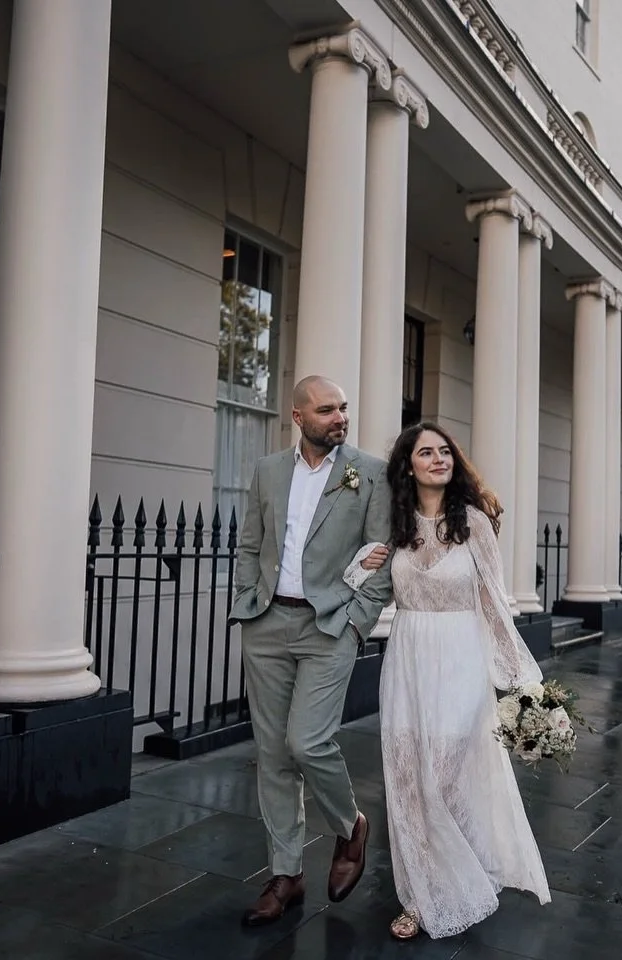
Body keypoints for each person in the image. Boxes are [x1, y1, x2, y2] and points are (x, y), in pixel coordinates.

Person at [348, 420, 550, 940]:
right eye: (426, 453)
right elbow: (366, 589)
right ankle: (418, 896)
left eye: (445, 452)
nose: (438, 459)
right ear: (408, 465)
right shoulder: (395, 523)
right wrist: (360, 566)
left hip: (462, 662)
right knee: (409, 781)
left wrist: (524, 683)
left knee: (442, 775)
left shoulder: (475, 524)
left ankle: (461, 873)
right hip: (409, 662)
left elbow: (495, 606)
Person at [230, 375, 393, 927]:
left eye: (343, 408)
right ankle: (287, 874)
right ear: (299, 417)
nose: (339, 417)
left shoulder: (368, 472)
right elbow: (250, 542)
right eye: (327, 410)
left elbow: (383, 553)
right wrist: (246, 600)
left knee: (308, 741)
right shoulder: (268, 471)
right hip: (268, 623)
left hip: (329, 627)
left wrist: (356, 623)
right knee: (273, 754)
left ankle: (351, 827)